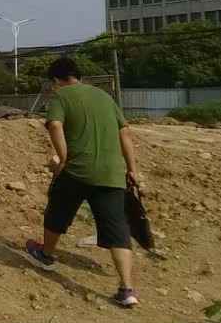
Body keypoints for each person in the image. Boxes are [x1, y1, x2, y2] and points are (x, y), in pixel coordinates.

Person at [25, 56, 142, 307]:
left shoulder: (60, 96)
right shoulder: (104, 97)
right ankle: (126, 289)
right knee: (117, 229)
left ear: (56, 80)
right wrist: (132, 169)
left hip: (77, 170)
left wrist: (62, 158)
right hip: (111, 174)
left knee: (57, 210)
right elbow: (125, 132)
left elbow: (55, 125)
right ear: (78, 76)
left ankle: (46, 254)